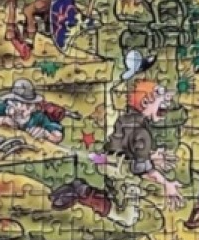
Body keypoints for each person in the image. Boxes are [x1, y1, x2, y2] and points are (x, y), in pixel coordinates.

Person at [52, 57, 185, 213]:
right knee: (127, 216)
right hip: (116, 168)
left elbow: (128, 150)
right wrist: (167, 183)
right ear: (145, 102)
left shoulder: (126, 119)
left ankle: (83, 190)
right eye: (161, 104)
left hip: (104, 160)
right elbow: (142, 169)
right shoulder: (142, 133)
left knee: (116, 194)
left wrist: (150, 157)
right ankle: (85, 193)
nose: (165, 108)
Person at [0, 77, 71, 143]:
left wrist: (46, 134)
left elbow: (58, 136)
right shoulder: (3, 108)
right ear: (10, 102)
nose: (23, 109)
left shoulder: (38, 117)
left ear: (33, 106)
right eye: (18, 104)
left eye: (28, 105)